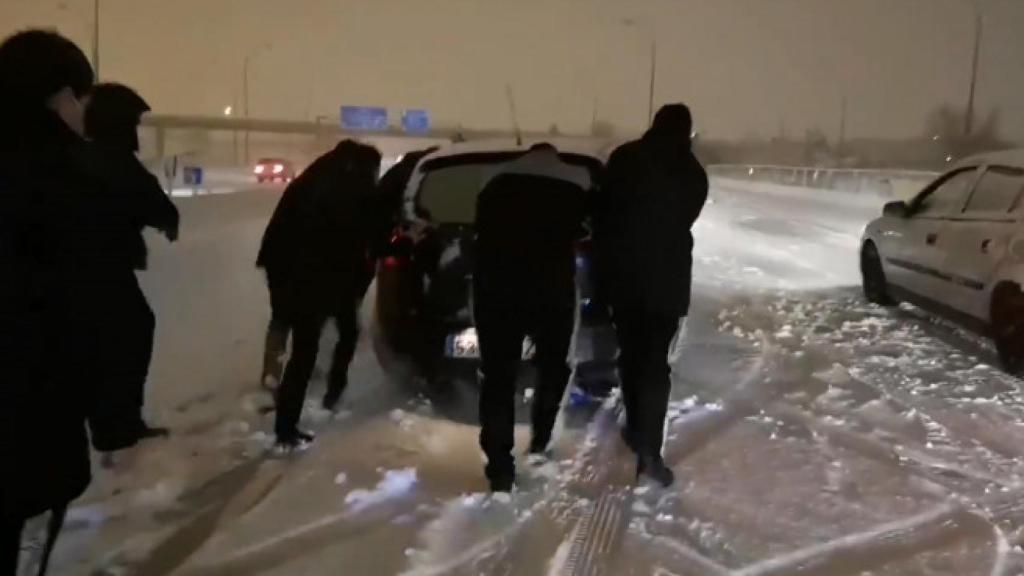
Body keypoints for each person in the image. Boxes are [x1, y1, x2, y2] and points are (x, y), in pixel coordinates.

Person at [0, 30, 139, 575]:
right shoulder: (69, 182)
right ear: (60, 98)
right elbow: (98, 315)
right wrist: (112, 420)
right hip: (31, 434)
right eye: (82, 99)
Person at [593, 103, 708, 488]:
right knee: (656, 364)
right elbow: (686, 217)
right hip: (666, 280)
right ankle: (650, 453)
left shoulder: (625, 158)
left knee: (630, 353)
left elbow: (603, 214)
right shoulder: (692, 172)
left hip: (625, 276)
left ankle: (634, 427)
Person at [473, 143, 590, 492]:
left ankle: (499, 468)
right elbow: (586, 232)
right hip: (551, 291)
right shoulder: (575, 185)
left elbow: (480, 229)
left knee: (498, 377)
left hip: (498, 290)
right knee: (553, 367)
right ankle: (540, 440)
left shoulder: (495, 181)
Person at [257, 140, 382, 451]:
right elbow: (355, 236)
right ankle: (292, 422)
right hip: (312, 275)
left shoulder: (318, 175)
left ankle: (292, 402)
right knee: (308, 347)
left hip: (292, 269)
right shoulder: (345, 187)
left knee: (301, 335)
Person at [83, 82, 180, 442]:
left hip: (84, 264)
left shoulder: (83, 154)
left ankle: (110, 421)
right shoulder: (115, 159)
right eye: (134, 122)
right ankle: (117, 424)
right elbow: (150, 200)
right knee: (129, 335)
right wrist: (168, 220)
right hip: (104, 266)